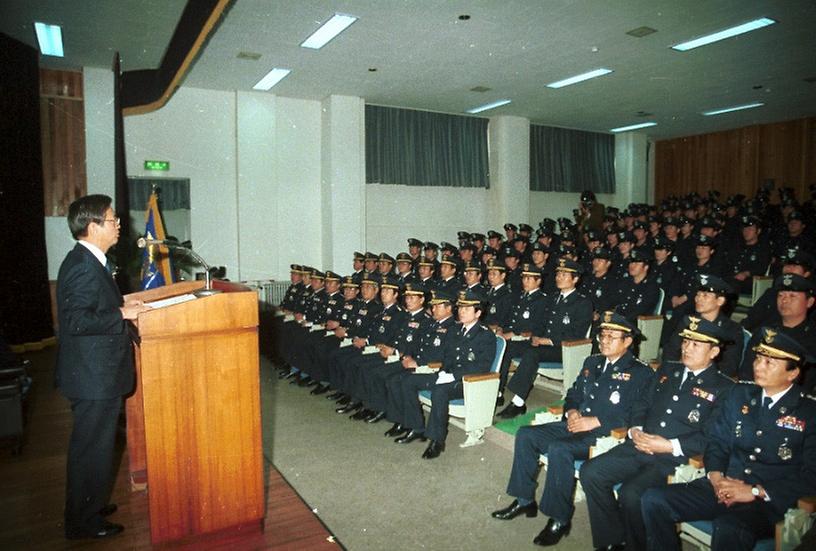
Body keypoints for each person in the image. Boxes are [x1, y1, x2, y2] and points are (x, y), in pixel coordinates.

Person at [641, 329, 816, 551]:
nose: (758, 366)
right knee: (654, 499)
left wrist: (754, 491)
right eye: (758, 358)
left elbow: (811, 476)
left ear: (793, 373)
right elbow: (717, 442)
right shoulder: (740, 395)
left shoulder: (809, 412)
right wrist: (715, 477)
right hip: (720, 484)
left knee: (730, 527)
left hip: (765, 501)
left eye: (769, 362)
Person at [491, 312, 654, 547]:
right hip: (574, 423)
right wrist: (572, 412)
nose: (604, 340)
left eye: (612, 336)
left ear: (628, 341)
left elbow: (636, 414)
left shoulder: (641, 372)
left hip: (605, 434)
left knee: (559, 449)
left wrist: (595, 421)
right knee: (526, 434)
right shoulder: (592, 361)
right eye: (602, 334)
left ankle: (559, 518)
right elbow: (574, 394)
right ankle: (524, 499)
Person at [579, 316, 735, 550]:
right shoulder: (668, 369)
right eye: (685, 342)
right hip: (638, 445)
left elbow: (712, 436)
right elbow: (642, 403)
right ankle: (612, 541)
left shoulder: (725, 388)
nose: (686, 348)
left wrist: (670, 445)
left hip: (673, 458)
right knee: (591, 472)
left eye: (696, 344)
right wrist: (636, 429)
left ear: (713, 352)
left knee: (632, 495)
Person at [56, 194, 148, 539]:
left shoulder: (90, 260)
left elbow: (93, 306)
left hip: (97, 373)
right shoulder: (83, 264)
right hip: (93, 376)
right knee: (91, 450)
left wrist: (123, 302)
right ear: (93, 226)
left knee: (95, 447)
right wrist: (121, 314)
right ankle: (82, 522)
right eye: (113, 220)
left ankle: (88, 504)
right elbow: (76, 320)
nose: (119, 225)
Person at [395, 288, 496, 459]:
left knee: (440, 392)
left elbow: (482, 366)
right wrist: (442, 372)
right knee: (408, 381)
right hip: (446, 375)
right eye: (461, 308)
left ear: (478, 313)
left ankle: (437, 441)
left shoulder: (485, 336)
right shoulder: (455, 331)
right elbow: (448, 356)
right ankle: (417, 427)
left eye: (467, 309)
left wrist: (453, 375)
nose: (461, 312)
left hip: (466, 381)